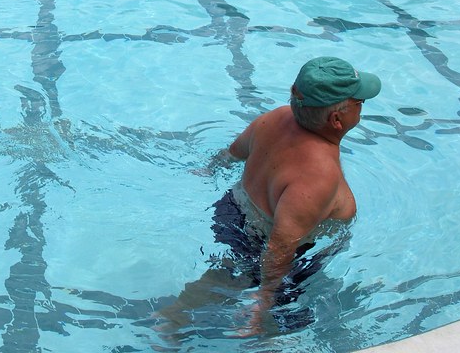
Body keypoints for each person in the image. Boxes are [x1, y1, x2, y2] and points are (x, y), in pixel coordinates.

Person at [158, 56, 381, 338]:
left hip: (233, 208)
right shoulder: (317, 176)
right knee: (281, 323)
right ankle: (175, 320)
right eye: (359, 103)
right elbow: (280, 246)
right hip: (265, 243)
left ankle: (175, 319)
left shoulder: (274, 118)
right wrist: (265, 299)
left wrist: (207, 170)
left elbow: (232, 154)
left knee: (229, 271)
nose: (361, 107)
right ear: (337, 119)